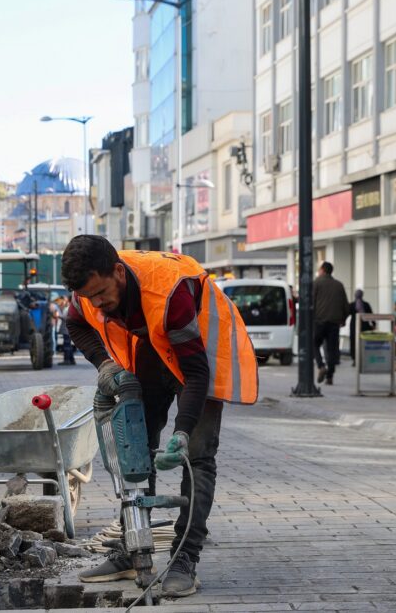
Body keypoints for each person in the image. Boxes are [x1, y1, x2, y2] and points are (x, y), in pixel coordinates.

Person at [61, 236, 258, 598]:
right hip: (151, 347)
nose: (98, 305)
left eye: (102, 293)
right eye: (90, 298)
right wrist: (104, 364)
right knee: (136, 448)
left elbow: (196, 374)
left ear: (118, 272)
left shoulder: (170, 294)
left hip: (201, 350)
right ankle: (133, 546)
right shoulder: (86, 291)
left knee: (197, 456)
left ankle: (185, 558)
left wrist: (182, 433)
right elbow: (75, 325)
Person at [312, 262, 349, 385]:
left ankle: (321, 366)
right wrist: (343, 319)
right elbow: (346, 306)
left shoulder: (316, 283)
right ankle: (330, 376)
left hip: (319, 321)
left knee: (314, 344)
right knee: (332, 349)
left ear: (322, 270)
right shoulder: (339, 285)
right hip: (334, 323)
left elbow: (311, 302)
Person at [347, 288, 375, 366]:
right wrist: (373, 324)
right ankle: (364, 358)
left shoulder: (352, 305)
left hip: (354, 326)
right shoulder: (366, 304)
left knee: (353, 342)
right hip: (365, 326)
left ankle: (355, 359)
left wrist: (341, 322)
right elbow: (371, 315)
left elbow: (346, 314)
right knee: (364, 342)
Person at [54, 296, 76, 365]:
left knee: (66, 345)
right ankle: (71, 359)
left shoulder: (67, 308)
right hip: (68, 329)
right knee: (68, 345)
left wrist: (58, 316)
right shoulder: (69, 307)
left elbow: (65, 317)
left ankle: (66, 360)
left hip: (66, 330)